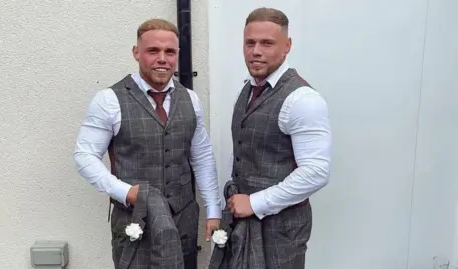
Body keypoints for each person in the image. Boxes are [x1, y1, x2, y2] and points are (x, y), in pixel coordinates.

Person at [73, 18, 221, 269]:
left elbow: (202, 156)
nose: (162, 59)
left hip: (182, 220)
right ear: (136, 53)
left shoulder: (191, 99)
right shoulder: (109, 100)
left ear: (177, 55)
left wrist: (214, 210)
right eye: (153, 51)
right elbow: (84, 155)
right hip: (135, 220)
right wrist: (124, 192)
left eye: (170, 52)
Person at [215, 7, 332, 269]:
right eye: (250, 43)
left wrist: (255, 203)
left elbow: (316, 172)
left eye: (267, 43)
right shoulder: (247, 88)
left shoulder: (303, 100)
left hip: (282, 230)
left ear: (287, 46)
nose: (256, 51)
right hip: (243, 221)